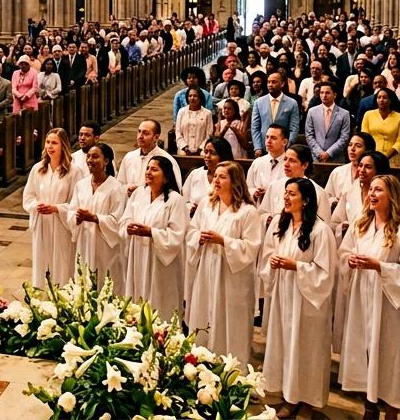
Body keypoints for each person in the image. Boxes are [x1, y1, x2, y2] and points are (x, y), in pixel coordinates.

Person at [336, 173, 400, 420]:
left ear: (392, 196)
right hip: (362, 297)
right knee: (365, 350)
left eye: (378, 190)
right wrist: (350, 260)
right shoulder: (360, 223)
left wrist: (379, 266)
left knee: (390, 355)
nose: (371, 194)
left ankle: (392, 411)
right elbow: (343, 252)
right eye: (371, 189)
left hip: (390, 304)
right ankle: (369, 405)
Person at [260, 178, 339, 419]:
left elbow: (326, 271)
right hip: (284, 295)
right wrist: (273, 262)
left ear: (305, 200)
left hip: (308, 300)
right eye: (285, 192)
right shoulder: (281, 224)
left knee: (307, 349)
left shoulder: (320, 230)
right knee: (286, 345)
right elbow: (267, 253)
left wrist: (296, 266)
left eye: (292, 194)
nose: (286, 197)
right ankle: (288, 395)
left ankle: (308, 400)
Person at [185, 161, 261, 361]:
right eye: (216, 176)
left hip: (232, 277)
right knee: (204, 315)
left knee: (229, 321)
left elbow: (252, 246)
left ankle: (231, 366)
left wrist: (223, 241)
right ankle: (201, 363)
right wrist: (198, 238)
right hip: (207, 270)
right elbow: (191, 231)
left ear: (235, 181)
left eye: (222, 177)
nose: (216, 180)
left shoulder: (247, 212)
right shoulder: (206, 205)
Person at [119, 156, 188, 316]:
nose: (148, 172)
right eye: (148, 168)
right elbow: (125, 219)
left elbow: (177, 235)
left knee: (160, 304)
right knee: (137, 303)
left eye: (154, 169)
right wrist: (128, 228)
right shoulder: (139, 194)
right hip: (138, 256)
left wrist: (151, 232)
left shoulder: (175, 200)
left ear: (166, 176)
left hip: (160, 262)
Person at [23, 128, 83, 286]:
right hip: (42, 223)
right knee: (42, 263)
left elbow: (77, 202)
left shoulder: (74, 172)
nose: (50, 146)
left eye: (54, 143)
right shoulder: (38, 169)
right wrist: (37, 205)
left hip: (62, 226)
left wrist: (57, 208)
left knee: (62, 263)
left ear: (63, 146)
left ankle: (62, 294)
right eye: (47, 142)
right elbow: (28, 196)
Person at [67, 142, 126, 283]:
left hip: (105, 246)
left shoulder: (116, 188)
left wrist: (94, 218)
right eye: (88, 156)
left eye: (95, 157)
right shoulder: (81, 185)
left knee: (104, 281)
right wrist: (76, 217)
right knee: (84, 280)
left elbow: (118, 220)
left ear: (106, 161)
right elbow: (71, 211)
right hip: (84, 241)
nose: (90, 160)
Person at [118, 120, 182, 194]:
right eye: (139, 132)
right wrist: (127, 190)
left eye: (145, 133)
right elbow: (120, 185)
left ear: (156, 137)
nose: (140, 136)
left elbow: (174, 191)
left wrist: (139, 192)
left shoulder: (166, 159)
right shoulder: (129, 157)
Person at [251, 72, 301, 156]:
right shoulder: (259, 102)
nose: (270, 85)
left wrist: (288, 145)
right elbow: (255, 127)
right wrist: (257, 147)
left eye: (274, 82)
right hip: (264, 147)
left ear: (282, 84)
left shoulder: (292, 103)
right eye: (268, 82)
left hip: (283, 148)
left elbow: (294, 128)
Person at [304, 82, 352, 163]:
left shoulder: (344, 114)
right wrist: (319, 153)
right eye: (322, 92)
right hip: (316, 157)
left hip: (336, 158)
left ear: (335, 95)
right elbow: (309, 135)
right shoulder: (312, 112)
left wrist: (329, 153)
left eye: (327, 93)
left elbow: (344, 137)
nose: (324, 95)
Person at [361, 87, 400, 165]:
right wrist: (373, 156)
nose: (381, 100)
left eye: (384, 98)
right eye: (379, 97)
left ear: (390, 100)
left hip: (392, 157)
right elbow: (365, 137)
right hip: (371, 157)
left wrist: (385, 157)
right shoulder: (368, 115)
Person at [174, 86, 212, 155]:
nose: (192, 98)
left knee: (204, 155)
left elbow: (209, 134)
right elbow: (178, 132)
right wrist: (184, 147)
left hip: (202, 150)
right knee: (182, 155)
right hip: (184, 150)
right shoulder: (181, 111)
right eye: (190, 96)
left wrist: (200, 148)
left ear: (200, 98)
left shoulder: (207, 113)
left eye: (195, 96)